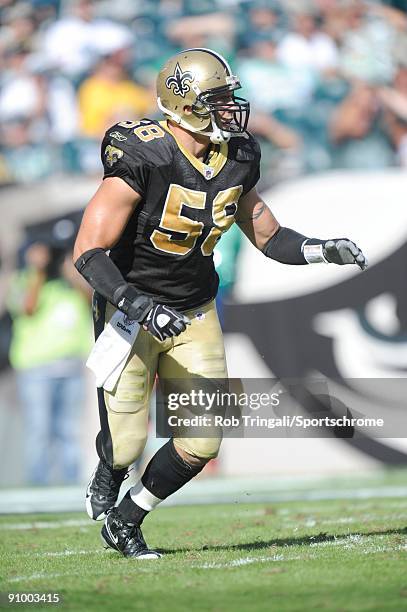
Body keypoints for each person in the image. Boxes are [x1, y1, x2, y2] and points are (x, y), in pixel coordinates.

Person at [73, 47, 367, 559]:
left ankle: (127, 518)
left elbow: (268, 235)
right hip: (130, 310)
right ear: (184, 103)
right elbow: (88, 252)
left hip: (195, 308)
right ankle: (111, 467)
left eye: (230, 97)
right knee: (125, 442)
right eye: (218, 99)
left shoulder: (238, 154)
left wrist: (322, 250)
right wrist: (138, 304)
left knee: (204, 439)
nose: (231, 109)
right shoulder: (143, 153)